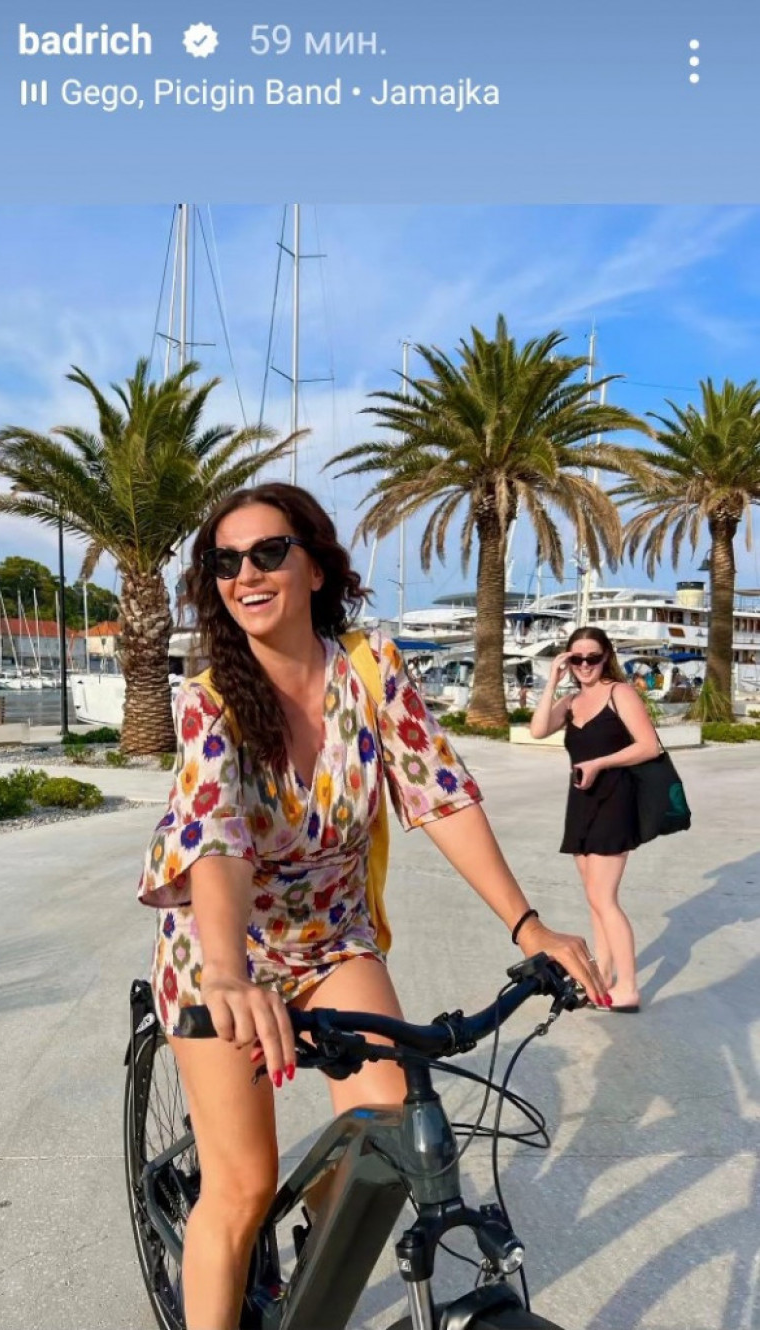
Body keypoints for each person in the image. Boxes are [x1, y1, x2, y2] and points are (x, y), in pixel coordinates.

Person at [138, 483, 608, 1330]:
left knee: (384, 1138)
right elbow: (217, 839)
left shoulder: (369, 667)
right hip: (222, 948)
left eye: (269, 552)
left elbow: (440, 794)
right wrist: (228, 973)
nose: (246, 574)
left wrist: (527, 925)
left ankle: (316, 1271)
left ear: (315, 567)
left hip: (333, 939)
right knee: (241, 1187)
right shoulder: (211, 699)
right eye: (225, 562)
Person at [529, 625, 661, 1017]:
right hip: (582, 802)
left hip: (615, 800)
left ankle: (628, 988)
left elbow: (649, 746)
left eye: (593, 658)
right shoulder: (570, 701)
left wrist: (600, 763)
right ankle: (603, 976)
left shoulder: (620, 693)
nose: (585, 665)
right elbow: (538, 729)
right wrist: (552, 682)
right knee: (593, 898)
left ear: (606, 657)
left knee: (604, 898)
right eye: (577, 658)